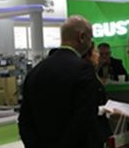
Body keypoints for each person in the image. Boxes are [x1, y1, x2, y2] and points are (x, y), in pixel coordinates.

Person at [19, 16, 103, 148]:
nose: (91, 43)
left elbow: (25, 120)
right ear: (82, 37)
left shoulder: (35, 72)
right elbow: (85, 119)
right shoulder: (83, 69)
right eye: (90, 38)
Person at [82, 43, 113, 144]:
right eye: (95, 52)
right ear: (88, 56)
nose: (98, 55)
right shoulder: (87, 75)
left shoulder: (92, 72)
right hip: (95, 126)